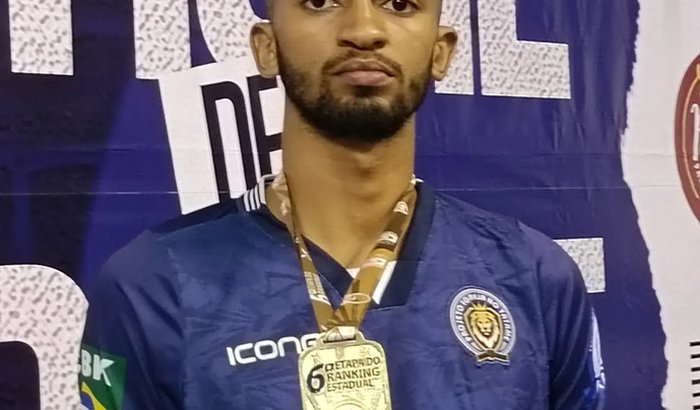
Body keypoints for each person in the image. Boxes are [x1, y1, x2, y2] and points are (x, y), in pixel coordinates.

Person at [79, 0, 605, 408]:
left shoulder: (535, 276)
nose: (363, 30)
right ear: (267, 46)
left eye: (399, 4)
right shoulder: (154, 286)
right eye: (320, 1)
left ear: (441, 51)